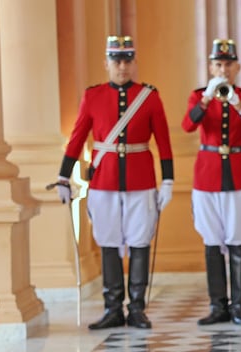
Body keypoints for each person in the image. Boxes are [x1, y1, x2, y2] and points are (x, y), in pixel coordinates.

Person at [54, 35, 174, 330]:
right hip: (104, 182)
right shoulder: (92, 96)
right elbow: (77, 137)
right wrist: (62, 176)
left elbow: (164, 141)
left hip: (141, 180)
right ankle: (112, 308)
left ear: (134, 64)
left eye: (127, 61)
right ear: (106, 64)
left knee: (140, 241)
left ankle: (136, 308)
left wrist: (168, 179)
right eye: (116, 61)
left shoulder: (149, 96)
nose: (122, 67)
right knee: (108, 241)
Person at [182, 39, 241, 326]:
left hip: (240, 173)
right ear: (210, 67)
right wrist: (206, 99)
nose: (223, 69)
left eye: (228, 64)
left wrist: (239, 104)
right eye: (218, 64)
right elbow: (188, 125)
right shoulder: (198, 96)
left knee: (237, 238)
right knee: (212, 240)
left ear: (237, 67)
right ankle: (218, 305)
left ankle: (238, 305)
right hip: (207, 174)